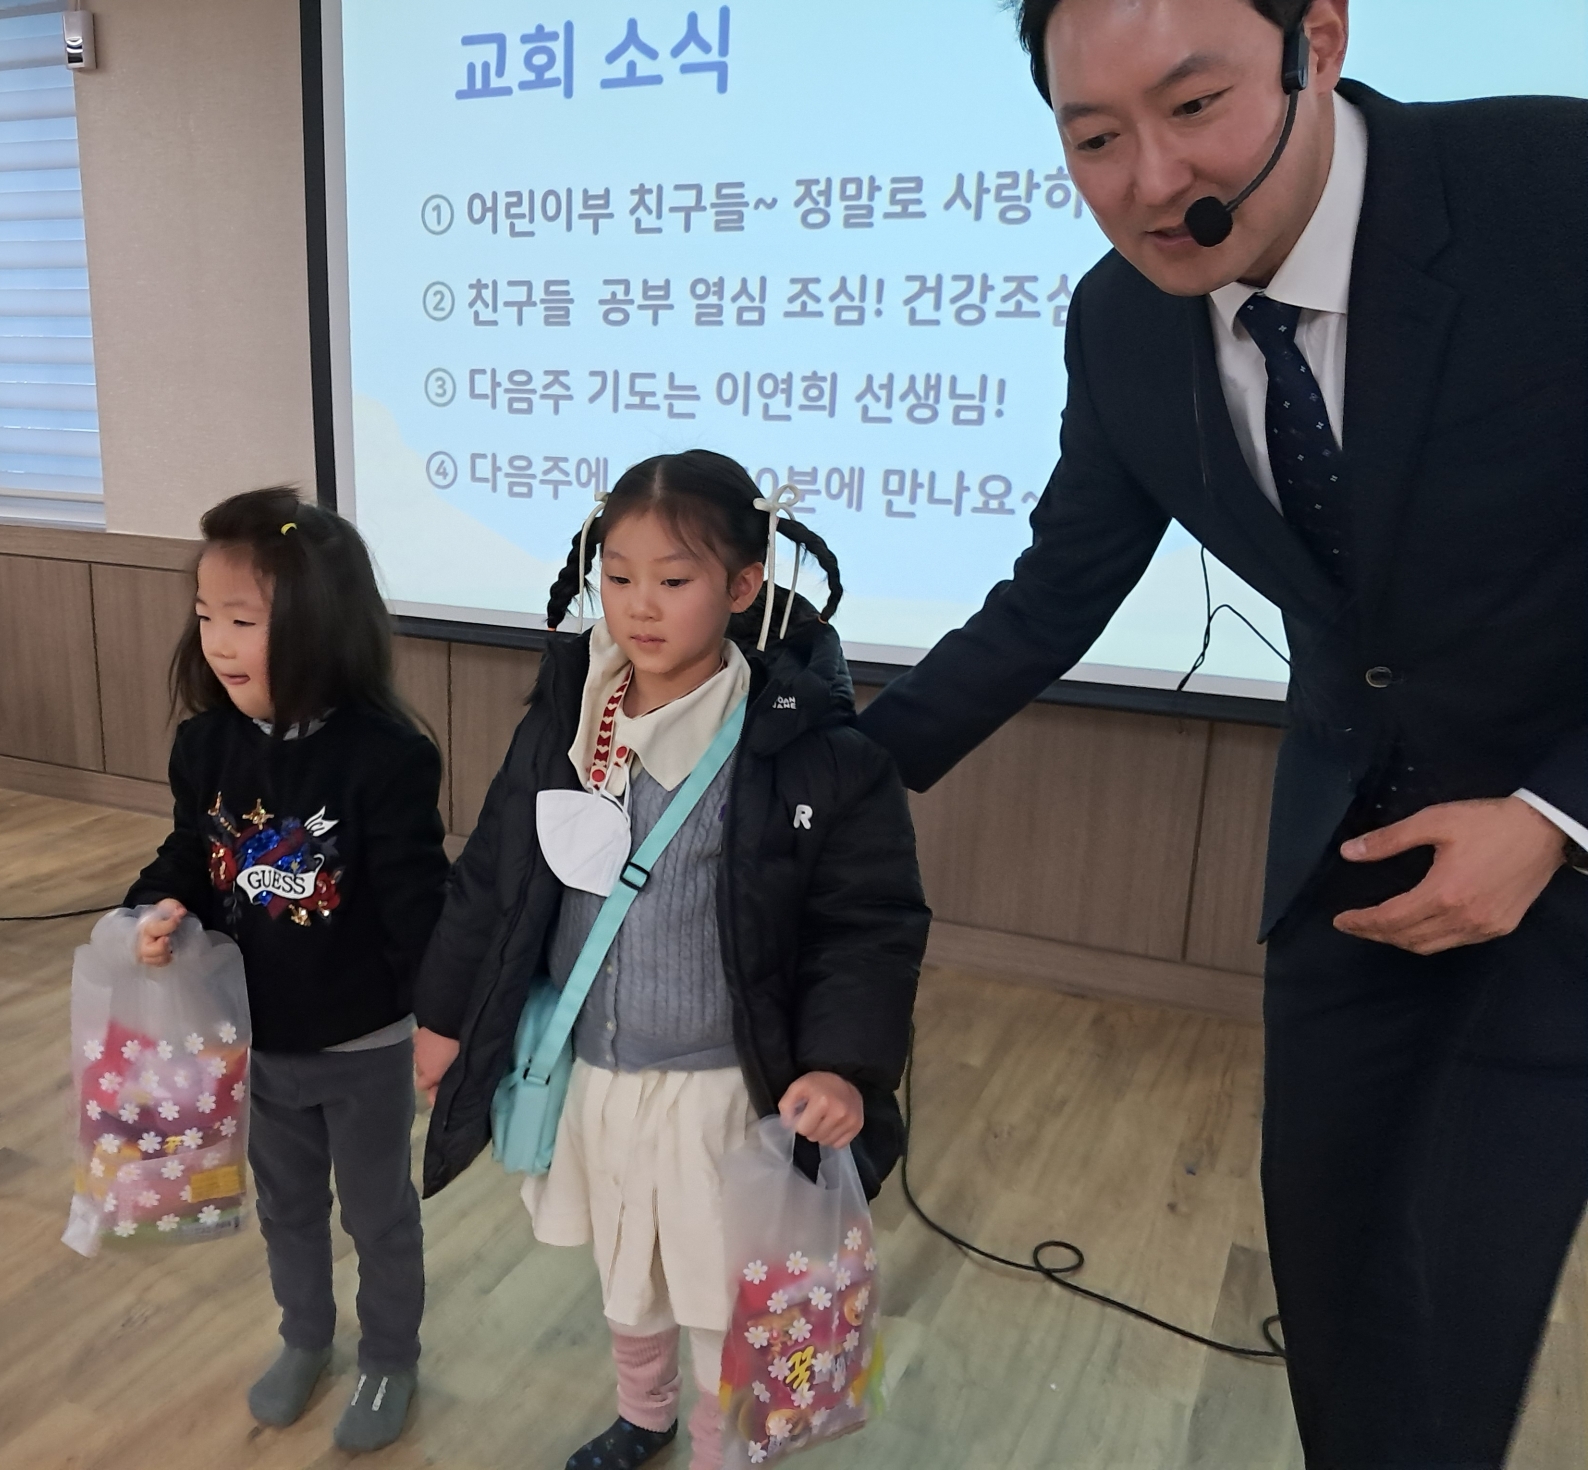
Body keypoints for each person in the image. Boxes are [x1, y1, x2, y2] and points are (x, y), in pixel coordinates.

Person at [856, 0, 1586, 1464]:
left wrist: (1554, 813)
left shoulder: (1548, 188)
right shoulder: (1121, 319)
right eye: (1092, 137)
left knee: (1464, 1297)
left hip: (1559, 864)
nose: (1146, 181)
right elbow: (1056, 590)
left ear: (1316, 40)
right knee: (1333, 1268)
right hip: (1345, 862)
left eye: (1194, 107)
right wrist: (828, 773)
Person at [410, 450, 929, 1470]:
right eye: (617, 575)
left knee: (720, 1292)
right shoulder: (569, 718)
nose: (639, 604)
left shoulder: (812, 754)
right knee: (627, 1271)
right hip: (595, 1073)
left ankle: (716, 1448)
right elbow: (493, 874)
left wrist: (844, 1066)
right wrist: (444, 1013)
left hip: (724, 1089)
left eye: (674, 578)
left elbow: (866, 925)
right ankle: (642, 1415)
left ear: (741, 587)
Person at [125, 487, 448, 1452]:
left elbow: (418, 903)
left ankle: (389, 1356)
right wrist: (156, 907)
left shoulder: (387, 757)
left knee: (378, 1215)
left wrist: (445, 1022)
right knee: (288, 1207)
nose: (218, 643)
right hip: (257, 1039)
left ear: (317, 625)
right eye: (206, 616)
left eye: (244, 620)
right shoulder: (204, 744)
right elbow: (191, 853)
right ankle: (306, 1336)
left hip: (363, 1043)